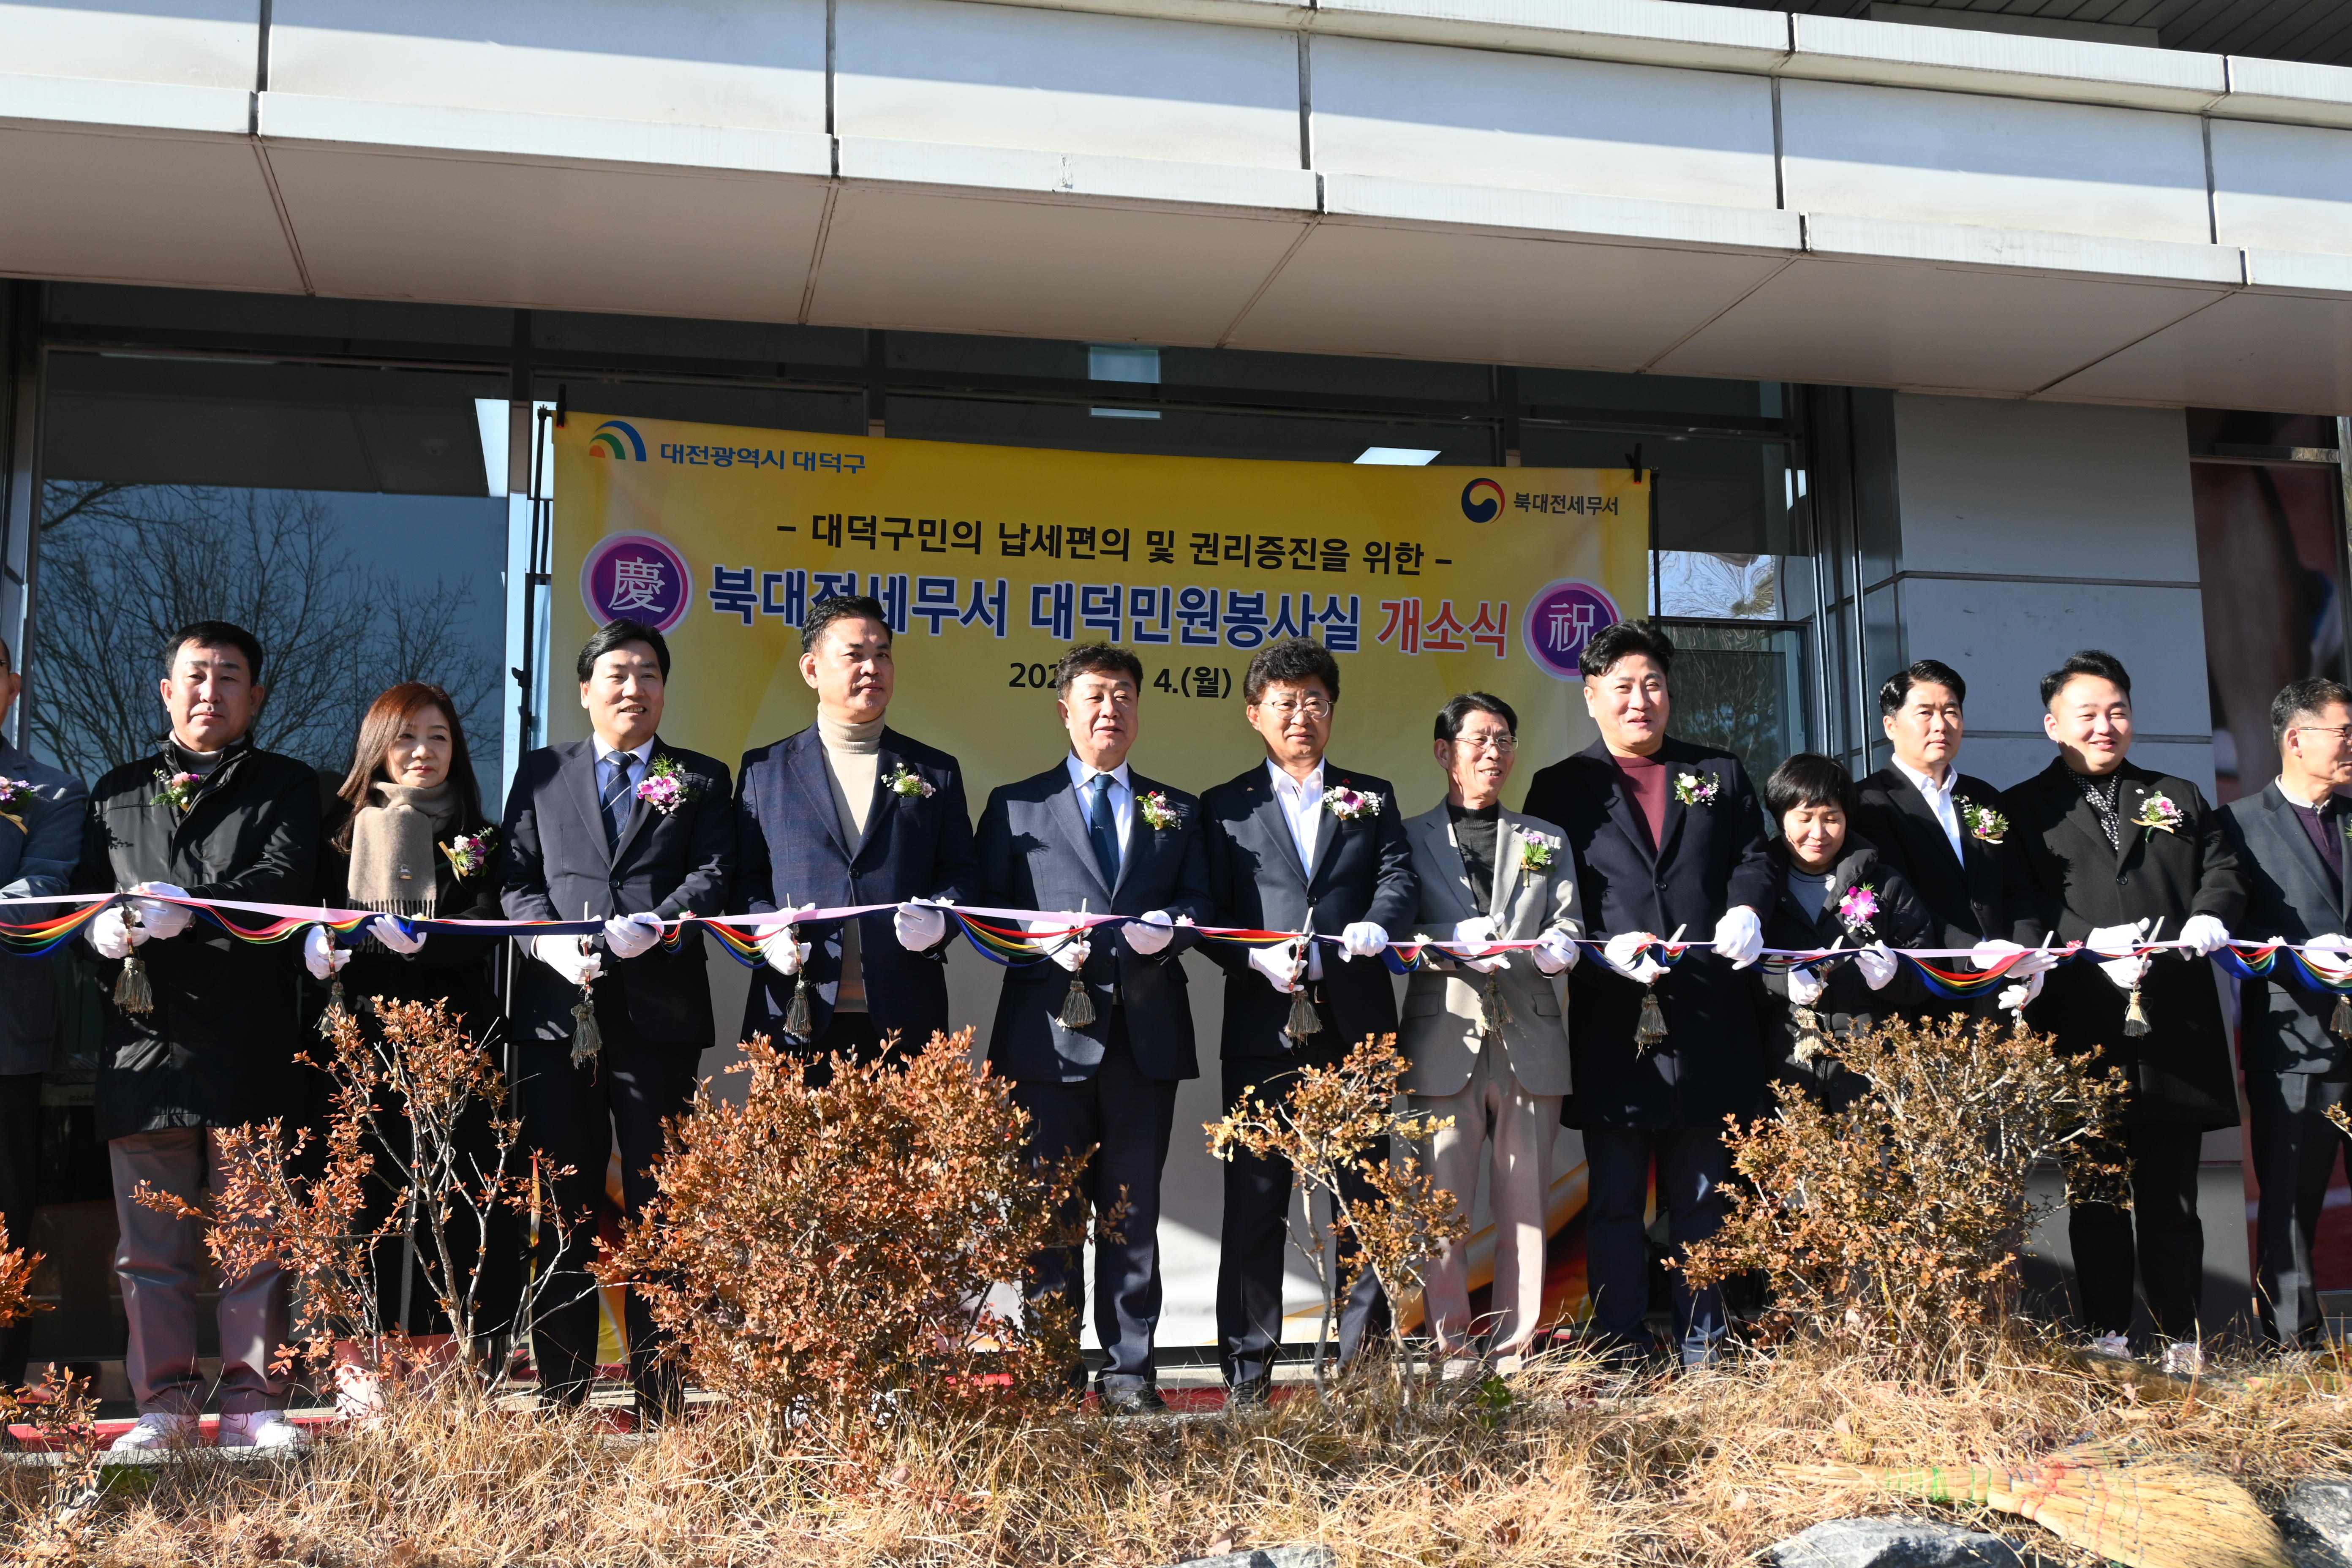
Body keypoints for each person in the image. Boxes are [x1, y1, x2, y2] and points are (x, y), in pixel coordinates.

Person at [75, 622, 320, 1451]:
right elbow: (81, 898)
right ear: (166, 690)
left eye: (229, 676)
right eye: (195, 674)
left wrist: (193, 907)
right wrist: (100, 933)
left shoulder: (287, 785)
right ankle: (165, 1407)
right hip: (143, 1048)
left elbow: (283, 881)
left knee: (255, 1242)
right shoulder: (115, 791)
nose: (210, 690)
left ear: (257, 695)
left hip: (247, 1043)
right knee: (150, 1251)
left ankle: (253, 1403)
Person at [1520, 620, 1772, 1369]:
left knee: (1704, 1199)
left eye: (1653, 684)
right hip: (1615, 1022)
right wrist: (1601, 951)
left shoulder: (1717, 771)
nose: (1640, 701)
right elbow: (1548, 894)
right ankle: (1621, 1347)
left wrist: (1747, 910)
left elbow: (1752, 857)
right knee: (1616, 1204)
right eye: (1623, 687)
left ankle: (1706, 1347)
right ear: (1591, 696)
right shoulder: (1559, 786)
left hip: (1709, 1017)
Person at [500, 618, 733, 1416]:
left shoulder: (699, 778)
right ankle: (562, 1393)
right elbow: (515, 876)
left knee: (660, 1201)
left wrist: (659, 924)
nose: (634, 688)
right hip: (557, 1016)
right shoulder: (543, 771)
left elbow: (715, 873)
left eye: (649, 674)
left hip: (659, 1013)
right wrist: (546, 941)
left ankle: (662, 1393)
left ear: (665, 688)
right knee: (563, 1201)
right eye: (617, 674)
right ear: (585, 690)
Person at [973, 644, 1214, 1413]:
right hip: (1046, 1040)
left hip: (1145, 1038)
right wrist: (1033, 940)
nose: (1111, 709)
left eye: (1124, 695)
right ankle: (1049, 1370)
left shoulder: (1178, 808)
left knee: (1131, 1215)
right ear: (1065, 710)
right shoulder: (1016, 805)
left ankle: (1129, 1376)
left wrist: (1170, 930)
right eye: (1095, 696)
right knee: (1048, 1213)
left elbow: (1203, 905)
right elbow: (980, 913)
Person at [2001, 649, 2245, 1368]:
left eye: (2117, 711)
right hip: (2082, 1025)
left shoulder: (2176, 794)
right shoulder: (2022, 809)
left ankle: (2181, 1340)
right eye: (2087, 714)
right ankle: (2106, 1334)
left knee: (2173, 1201)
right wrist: (2084, 941)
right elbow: (2020, 900)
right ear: (2053, 725)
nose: (2104, 726)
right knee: (2096, 1196)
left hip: (2172, 1023)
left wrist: (2210, 914)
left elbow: (2223, 868)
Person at [1200, 637, 1415, 1404]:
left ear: (1332, 711)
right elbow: (1204, 912)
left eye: (1314, 701)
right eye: (1285, 703)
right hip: (1262, 1028)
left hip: (1355, 1025)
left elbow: (1398, 877)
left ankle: (1365, 1372)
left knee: (1361, 1200)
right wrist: (1250, 958)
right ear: (1254, 714)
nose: (1301, 716)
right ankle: (1247, 1375)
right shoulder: (1223, 806)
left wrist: (1379, 924)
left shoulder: (1370, 796)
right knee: (1256, 1203)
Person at [308, 683, 518, 1357]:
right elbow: (303, 914)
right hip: (360, 1038)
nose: (423, 752)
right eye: (406, 738)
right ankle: (360, 1367)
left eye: (438, 738)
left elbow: (490, 923)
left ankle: (448, 1366)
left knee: (452, 1201)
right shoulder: (337, 830)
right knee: (363, 1196)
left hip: (455, 1039)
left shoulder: (480, 837)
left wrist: (429, 941)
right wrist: (314, 946)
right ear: (378, 746)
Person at [1397, 693, 1580, 1372]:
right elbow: (1393, 927)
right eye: (1479, 739)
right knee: (1441, 1211)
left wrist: (1561, 947)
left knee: (1525, 1207)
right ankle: (1452, 1350)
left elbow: (1569, 920)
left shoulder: (1545, 838)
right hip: (1443, 1039)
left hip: (1530, 1039)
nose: (1493, 752)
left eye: (1504, 739)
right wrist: (1449, 940)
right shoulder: (1407, 837)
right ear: (1444, 752)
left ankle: (1513, 1350)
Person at [731, 594, 978, 1078]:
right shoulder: (766, 769)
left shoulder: (934, 769)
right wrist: (764, 931)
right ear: (811, 669)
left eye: (882, 654)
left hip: (906, 1018)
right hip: (796, 1013)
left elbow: (963, 872)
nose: (873, 668)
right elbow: (743, 877)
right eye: (855, 655)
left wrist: (940, 922)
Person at [2220, 677, 2352, 1350]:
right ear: (2296, 739)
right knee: (2291, 1200)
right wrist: (2296, 958)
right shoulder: (2239, 824)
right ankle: (2293, 1347)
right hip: (2294, 1039)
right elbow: (2226, 933)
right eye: (2344, 732)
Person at [1853, 660, 2045, 1007]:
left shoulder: (1984, 796)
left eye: (1951, 712)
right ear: (1891, 726)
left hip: (2004, 988)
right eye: (1925, 713)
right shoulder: (1867, 802)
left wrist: (2026, 952)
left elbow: (2016, 886)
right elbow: (1898, 901)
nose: (1941, 725)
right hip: (1926, 989)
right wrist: (1972, 952)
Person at [0, 636, 87, 1389]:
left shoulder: (51, 792)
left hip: (5, 1042)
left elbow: (42, 893)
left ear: (13, 685)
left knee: (4, 1222)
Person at [1756, 753, 1934, 1112]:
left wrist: (1894, 978)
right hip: (1782, 1075)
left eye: (1831, 819)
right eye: (1804, 818)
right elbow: (1728, 972)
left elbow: (1926, 974)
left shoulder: (1886, 884)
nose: (1818, 833)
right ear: (1779, 817)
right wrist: (1778, 978)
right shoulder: (1757, 887)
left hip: (1870, 1077)